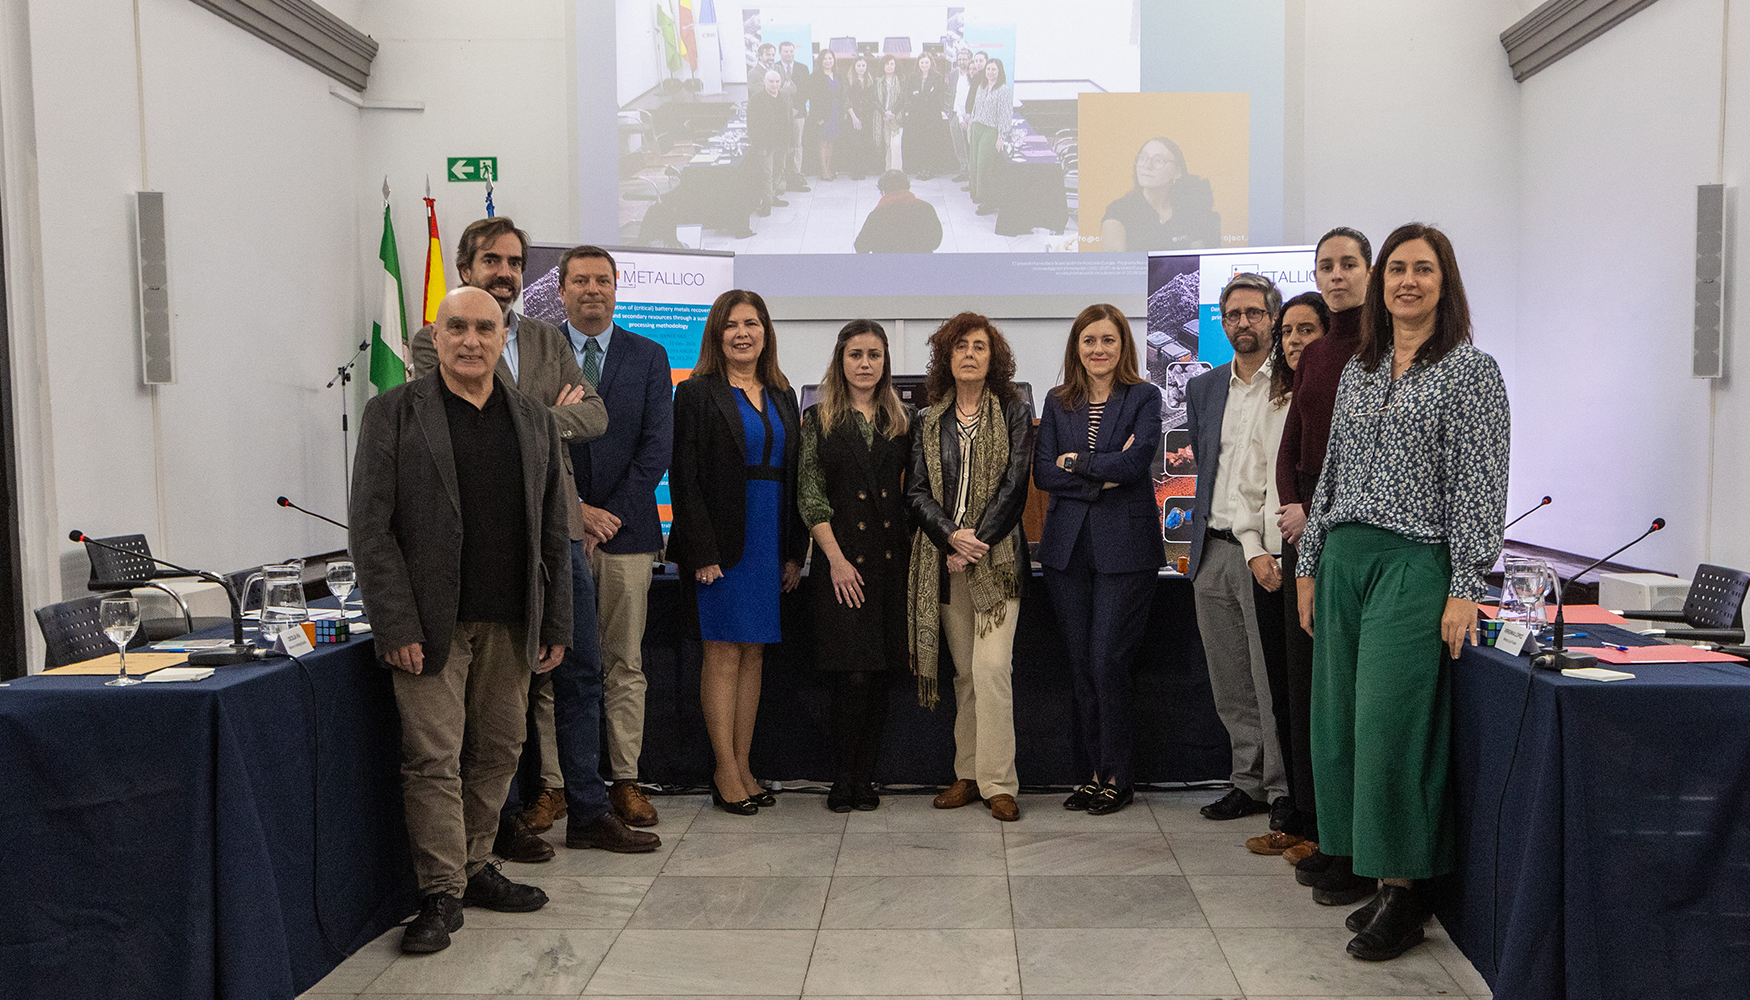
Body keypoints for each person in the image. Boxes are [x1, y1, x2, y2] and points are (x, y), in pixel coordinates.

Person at [1295, 223, 1509, 961]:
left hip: (1414, 562)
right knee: (1342, 728)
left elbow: (1482, 486)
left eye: (1423, 270)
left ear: (1445, 283)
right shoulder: (1360, 369)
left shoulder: (1472, 372)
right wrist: (1309, 565)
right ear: (1381, 285)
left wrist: (1465, 585)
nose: (1407, 282)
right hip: (1345, 559)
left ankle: (1408, 892)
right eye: (1397, 271)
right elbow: (1329, 478)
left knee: (1391, 729)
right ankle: (1377, 877)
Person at [351, 287, 573, 954]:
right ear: (436, 338)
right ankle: (440, 892)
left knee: (501, 750)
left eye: (484, 327)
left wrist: (556, 621)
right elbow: (371, 530)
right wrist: (395, 624)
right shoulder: (392, 414)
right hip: (429, 625)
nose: (471, 340)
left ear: (505, 335)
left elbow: (554, 532)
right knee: (433, 760)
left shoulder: (533, 419)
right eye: (457, 328)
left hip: (512, 620)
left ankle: (475, 865)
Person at [407, 218, 621, 864]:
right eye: (491, 260)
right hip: (483, 542)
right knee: (489, 701)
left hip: (553, 528)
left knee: (578, 670)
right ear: (466, 269)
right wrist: (543, 415)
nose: (504, 272)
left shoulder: (545, 339)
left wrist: (526, 415)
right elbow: (467, 409)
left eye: (514, 262)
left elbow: (596, 415)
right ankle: (497, 829)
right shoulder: (430, 339)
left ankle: (587, 807)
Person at [668, 290, 806, 815]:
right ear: (717, 334)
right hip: (721, 545)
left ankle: (745, 764)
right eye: (731, 325)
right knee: (723, 652)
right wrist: (701, 550)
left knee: (754, 653)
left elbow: (793, 478)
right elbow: (686, 477)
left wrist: (794, 553)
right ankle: (724, 769)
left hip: (770, 537)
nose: (742, 333)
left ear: (766, 332)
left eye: (752, 323)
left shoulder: (783, 393)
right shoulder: (698, 393)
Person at [555, 245, 675, 832]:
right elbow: (533, 444)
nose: (592, 290)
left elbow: (656, 448)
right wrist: (576, 513)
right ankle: (555, 787)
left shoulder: (649, 355)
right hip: (557, 532)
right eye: (580, 281)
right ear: (561, 291)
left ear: (617, 287)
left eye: (602, 280)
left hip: (627, 535)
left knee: (624, 663)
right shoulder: (538, 353)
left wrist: (609, 518)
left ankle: (625, 780)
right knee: (555, 662)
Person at [1034, 305, 1164, 816]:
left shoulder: (1144, 396)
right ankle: (1090, 773)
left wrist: (1079, 464)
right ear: (1076, 347)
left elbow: (1136, 464)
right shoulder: (1057, 400)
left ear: (1122, 345)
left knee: (1109, 660)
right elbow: (1044, 473)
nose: (1098, 350)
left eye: (1108, 340)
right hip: (1067, 551)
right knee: (1081, 666)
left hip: (1125, 551)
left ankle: (1118, 776)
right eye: (1089, 341)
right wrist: (1101, 475)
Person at [907, 313, 1034, 823]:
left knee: (991, 668)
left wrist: (974, 541)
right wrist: (949, 536)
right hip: (944, 561)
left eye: (979, 346)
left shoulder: (1015, 411)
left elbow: (1016, 484)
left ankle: (1000, 782)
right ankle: (967, 773)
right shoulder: (928, 419)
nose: (969, 354)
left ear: (992, 358)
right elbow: (915, 491)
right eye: (960, 346)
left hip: (996, 561)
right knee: (964, 674)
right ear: (946, 357)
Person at [1275, 226, 1372, 872]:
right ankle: (1322, 826)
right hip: (1308, 529)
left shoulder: (1383, 348)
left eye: (1348, 265)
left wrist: (1320, 515)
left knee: (1355, 698)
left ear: (1370, 270)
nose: (1336, 276)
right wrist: (1296, 507)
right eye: (1325, 266)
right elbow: (1293, 443)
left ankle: (1361, 841)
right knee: (1314, 691)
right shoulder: (1312, 355)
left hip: (1357, 530)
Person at [1185, 273, 1288, 824]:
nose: (1242, 323)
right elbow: (1206, 470)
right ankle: (1246, 781)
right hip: (1212, 551)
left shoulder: (1291, 381)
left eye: (1253, 313)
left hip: (1266, 554)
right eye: (1232, 315)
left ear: (1272, 318)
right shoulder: (1204, 388)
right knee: (1230, 680)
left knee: (1269, 677)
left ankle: (1281, 789)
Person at [799, 320, 914, 811]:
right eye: (855, 355)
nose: (865, 364)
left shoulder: (903, 420)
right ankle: (841, 779)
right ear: (840, 360)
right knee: (851, 677)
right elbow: (810, 495)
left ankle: (866, 778)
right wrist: (836, 560)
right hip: (842, 565)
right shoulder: (818, 419)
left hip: (891, 565)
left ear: (885, 362)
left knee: (882, 674)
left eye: (874, 355)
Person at [1238, 291, 1327, 860]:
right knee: (1283, 700)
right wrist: (1252, 549)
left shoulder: (1339, 397)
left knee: (1316, 699)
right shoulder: (1270, 401)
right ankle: (1294, 813)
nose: (1295, 340)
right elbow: (1248, 485)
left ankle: (1323, 824)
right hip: (1268, 567)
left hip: (1314, 567)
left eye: (1307, 330)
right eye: (1289, 330)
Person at [1099, 137, 1221, 252]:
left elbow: (1198, 262)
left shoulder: (1189, 211)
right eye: (1143, 158)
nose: (1147, 165)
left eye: (1158, 160)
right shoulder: (1118, 211)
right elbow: (1116, 269)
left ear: (1177, 172)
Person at [854, 170, 943, 253]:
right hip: (921, 265)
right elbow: (935, 241)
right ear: (908, 187)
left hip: (887, 267)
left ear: (883, 192)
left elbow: (861, 247)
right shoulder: (925, 208)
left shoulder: (877, 215)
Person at [968, 57, 1012, 213]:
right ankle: (979, 195)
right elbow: (974, 109)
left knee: (984, 165)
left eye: (994, 69)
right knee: (974, 164)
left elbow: (1006, 115)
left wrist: (1001, 137)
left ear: (999, 72)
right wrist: (970, 128)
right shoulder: (981, 87)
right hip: (977, 128)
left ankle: (989, 201)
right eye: (988, 69)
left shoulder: (1004, 91)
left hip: (990, 130)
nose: (990, 72)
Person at [747, 69, 793, 217]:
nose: (774, 85)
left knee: (778, 170)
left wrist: (789, 142)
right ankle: (766, 204)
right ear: (764, 82)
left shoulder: (784, 97)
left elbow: (789, 121)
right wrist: (759, 145)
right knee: (766, 174)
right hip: (765, 145)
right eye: (771, 81)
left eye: (777, 82)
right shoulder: (756, 100)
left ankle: (771, 196)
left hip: (781, 143)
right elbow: (752, 125)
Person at [903, 52, 954, 179]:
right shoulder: (913, 77)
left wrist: (921, 97)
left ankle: (929, 169)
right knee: (919, 143)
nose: (924, 65)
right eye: (922, 62)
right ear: (918, 64)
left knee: (930, 144)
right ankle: (921, 169)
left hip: (932, 117)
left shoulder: (937, 77)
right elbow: (909, 95)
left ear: (931, 63)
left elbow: (938, 96)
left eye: (926, 62)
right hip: (917, 117)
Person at [774, 41, 810, 191]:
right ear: (780, 53)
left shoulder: (803, 68)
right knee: (783, 145)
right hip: (780, 115)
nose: (789, 54)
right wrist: (787, 109)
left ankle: (796, 175)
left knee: (797, 144)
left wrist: (795, 108)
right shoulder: (774, 68)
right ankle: (781, 177)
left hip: (798, 112)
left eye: (791, 51)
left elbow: (806, 90)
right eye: (785, 51)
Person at [842, 54, 879, 180]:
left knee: (865, 143)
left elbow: (874, 99)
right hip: (854, 116)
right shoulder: (848, 81)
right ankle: (855, 170)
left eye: (863, 66)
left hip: (867, 116)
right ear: (854, 67)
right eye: (859, 66)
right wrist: (853, 116)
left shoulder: (870, 80)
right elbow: (846, 100)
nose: (861, 68)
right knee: (855, 144)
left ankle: (863, 169)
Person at [808, 49, 843, 181]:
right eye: (825, 59)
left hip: (835, 113)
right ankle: (823, 171)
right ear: (821, 61)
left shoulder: (837, 75)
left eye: (830, 58)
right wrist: (818, 116)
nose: (828, 61)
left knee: (831, 142)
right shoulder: (816, 76)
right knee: (823, 142)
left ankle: (829, 168)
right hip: (823, 114)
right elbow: (813, 98)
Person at [874, 55, 906, 173]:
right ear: (883, 66)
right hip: (883, 118)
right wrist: (884, 113)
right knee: (888, 146)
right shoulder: (878, 82)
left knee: (896, 145)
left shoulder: (901, 81)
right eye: (887, 64)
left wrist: (892, 112)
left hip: (897, 118)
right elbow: (876, 100)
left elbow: (902, 99)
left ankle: (898, 172)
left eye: (892, 64)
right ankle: (889, 171)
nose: (889, 66)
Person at [947, 48, 974, 181]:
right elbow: (952, 94)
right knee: (958, 145)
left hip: (969, 116)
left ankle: (972, 174)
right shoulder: (953, 75)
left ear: (970, 60)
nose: (962, 61)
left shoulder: (974, 75)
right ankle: (964, 170)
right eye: (959, 59)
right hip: (955, 114)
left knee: (969, 146)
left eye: (964, 59)